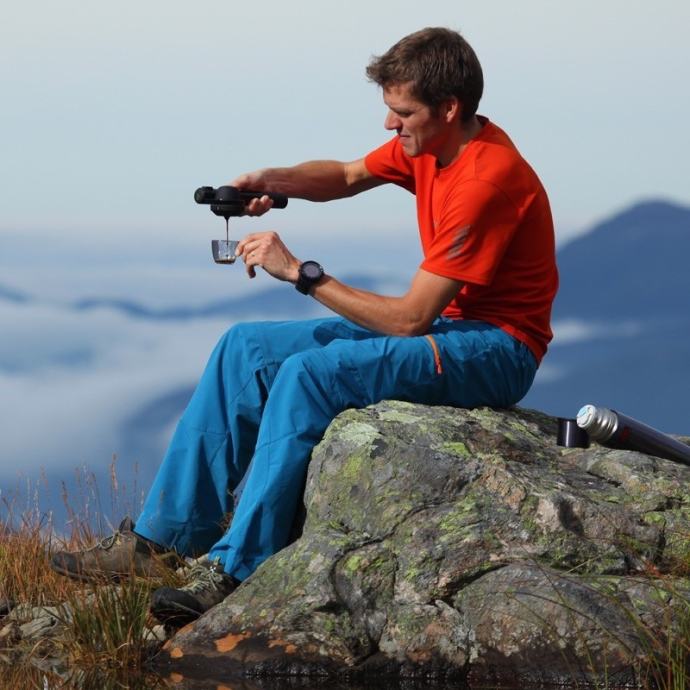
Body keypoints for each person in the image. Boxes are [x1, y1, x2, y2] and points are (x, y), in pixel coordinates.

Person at [51, 27, 558, 625]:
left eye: (402, 113)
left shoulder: (484, 181)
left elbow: (409, 319)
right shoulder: (433, 146)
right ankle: (161, 541)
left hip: (497, 347)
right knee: (245, 347)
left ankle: (236, 567)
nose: (390, 125)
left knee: (309, 375)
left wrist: (302, 273)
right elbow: (345, 176)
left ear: (448, 108)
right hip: (450, 327)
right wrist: (270, 181)